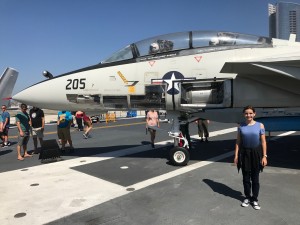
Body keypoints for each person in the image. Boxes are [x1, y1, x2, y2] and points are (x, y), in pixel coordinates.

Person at [234, 105, 267, 210]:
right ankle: (247, 197)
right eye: (246, 113)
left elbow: (263, 142)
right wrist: (236, 156)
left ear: (254, 114)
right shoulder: (241, 126)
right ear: (244, 114)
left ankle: (255, 199)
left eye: (250, 113)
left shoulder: (260, 125)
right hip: (244, 153)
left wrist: (264, 156)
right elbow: (238, 142)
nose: (248, 115)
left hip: (256, 153)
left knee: (255, 178)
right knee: (246, 177)